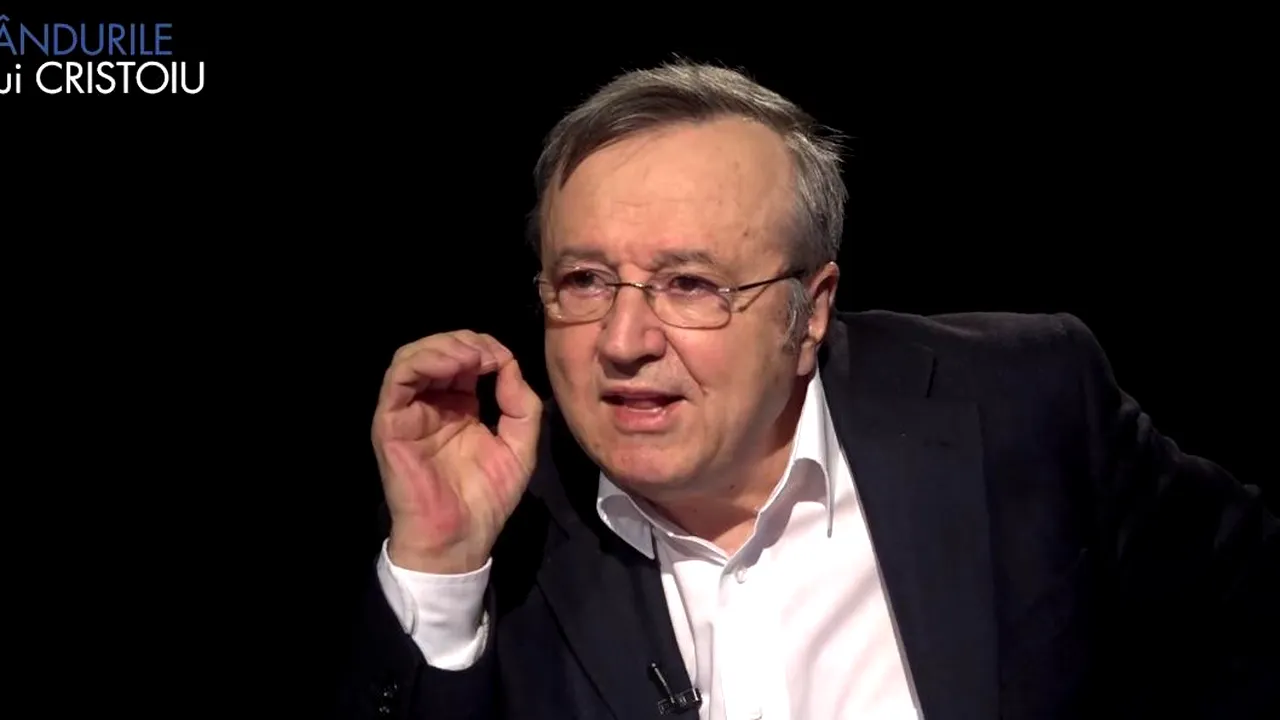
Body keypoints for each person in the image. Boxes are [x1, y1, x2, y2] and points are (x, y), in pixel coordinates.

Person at [336, 61, 1278, 719]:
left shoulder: (1019, 405)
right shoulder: (502, 522)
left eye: (690, 285)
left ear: (810, 311)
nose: (622, 343)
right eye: (584, 281)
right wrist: (440, 568)